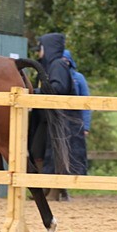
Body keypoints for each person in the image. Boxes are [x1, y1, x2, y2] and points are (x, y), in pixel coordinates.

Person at [34, 33, 81, 192]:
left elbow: (59, 89)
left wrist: (36, 92)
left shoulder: (57, 65)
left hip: (58, 118)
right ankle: (46, 188)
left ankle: (52, 190)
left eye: (40, 49)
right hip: (49, 118)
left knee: (53, 154)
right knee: (39, 151)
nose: (38, 52)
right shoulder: (50, 66)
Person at [58, 49, 91, 200]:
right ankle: (54, 189)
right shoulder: (55, 76)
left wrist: (86, 126)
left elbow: (86, 102)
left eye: (66, 60)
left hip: (75, 121)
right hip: (59, 121)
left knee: (73, 155)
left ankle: (65, 189)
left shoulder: (78, 78)